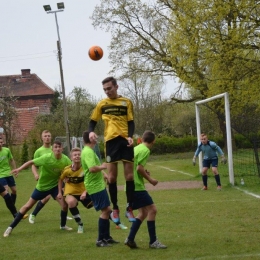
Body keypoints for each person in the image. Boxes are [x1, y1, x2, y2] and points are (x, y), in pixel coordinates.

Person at [88, 76, 135, 224]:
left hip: (125, 141)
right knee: (112, 178)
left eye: (109, 88)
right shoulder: (102, 104)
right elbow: (92, 121)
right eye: (105, 89)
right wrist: (91, 132)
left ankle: (130, 208)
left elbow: (131, 122)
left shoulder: (126, 102)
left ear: (116, 86)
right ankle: (115, 208)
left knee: (129, 176)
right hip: (110, 142)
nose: (107, 91)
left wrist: (130, 136)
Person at [3, 140, 72, 237]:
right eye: (55, 147)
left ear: (62, 149)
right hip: (42, 186)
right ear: (52, 149)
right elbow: (31, 162)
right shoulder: (46, 158)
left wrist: (68, 178)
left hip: (55, 187)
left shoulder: (66, 160)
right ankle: (10, 227)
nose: (57, 149)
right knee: (28, 206)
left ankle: (63, 225)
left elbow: (69, 171)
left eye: (59, 147)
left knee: (64, 206)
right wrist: (19, 169)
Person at [124, 130, 167, 249]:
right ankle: (153, 241)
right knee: (152, 210)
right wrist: (150, 179)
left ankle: (130, 239)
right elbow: (138, 169)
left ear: (142, 139)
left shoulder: (137, 148)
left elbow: (135, 167)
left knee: (143, 213)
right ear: (153, 141)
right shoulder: (145, 150)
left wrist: (144, 172)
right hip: (137, 187)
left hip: (130, 185)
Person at [81, 131, 119, 247]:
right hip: (95, 186)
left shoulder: (90, 151)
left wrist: (104, 173)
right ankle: (100, 240)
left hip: (98, 185)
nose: (96, 137)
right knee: (105, 211)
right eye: (93, 136)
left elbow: (94, 166)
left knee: (107, 210)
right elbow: (92, 169)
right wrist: (103, 166)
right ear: (89, 139)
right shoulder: (88, 152)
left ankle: (106, 237)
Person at [58, 147, 93, 234]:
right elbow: (60, 180)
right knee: (70, 202)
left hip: (83, 191)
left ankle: (116, 221)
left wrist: (85, 192)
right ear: (71, 158)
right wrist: (59, 192)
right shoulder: (67, 170)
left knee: (98, 204)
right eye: (75, 155)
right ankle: (80, 224)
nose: (77, 156)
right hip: (70, 192)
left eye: (79, 154)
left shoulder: (85, 168)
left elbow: (93, 177)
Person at [29, 130, 52, 224]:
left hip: (56, 178)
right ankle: (33, 214)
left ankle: (64, 214)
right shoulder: (38, 151)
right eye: (45, 136)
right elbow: (33, 165)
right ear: (42, 138)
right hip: (44, 179)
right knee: (46, 198)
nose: (47, 137)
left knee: (63, 196)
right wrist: (35, 174)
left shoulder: (54, 149)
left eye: (49, 136)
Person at [0, 137, 18, 205]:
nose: (0, 144)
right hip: (1, 175)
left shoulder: (7, 150)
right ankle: (12, 207)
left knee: (14, 190)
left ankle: (11, 204)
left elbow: (11, 160)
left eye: (1, 142)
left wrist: (15, 169)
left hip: (9, 173)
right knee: (6, 191)